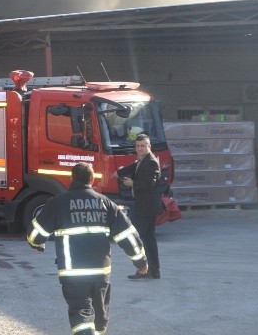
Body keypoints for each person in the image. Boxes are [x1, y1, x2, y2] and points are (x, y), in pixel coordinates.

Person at [27, 162, 148, 335]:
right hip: (101, 272)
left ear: (72, 178)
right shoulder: (105, 203)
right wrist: (141, 263)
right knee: (100, 318)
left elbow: (35, 234)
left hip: (73, 273)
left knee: (80, 313)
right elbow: (128, 236)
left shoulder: (58, 202)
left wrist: (37, 244)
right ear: (92, 180)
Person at [113, 132, 162, 279]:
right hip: (145, 206)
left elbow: (149, 184)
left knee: (142, 239)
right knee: (148, 239)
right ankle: (153, 271)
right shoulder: (143, 160)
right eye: (138, 146)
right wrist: (118, 173)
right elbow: (133, 167)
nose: (140, 149)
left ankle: (146, 270)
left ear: (149, 146)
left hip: (146, 208)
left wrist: (132, 183)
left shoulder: (151, 162)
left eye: (143, 146)